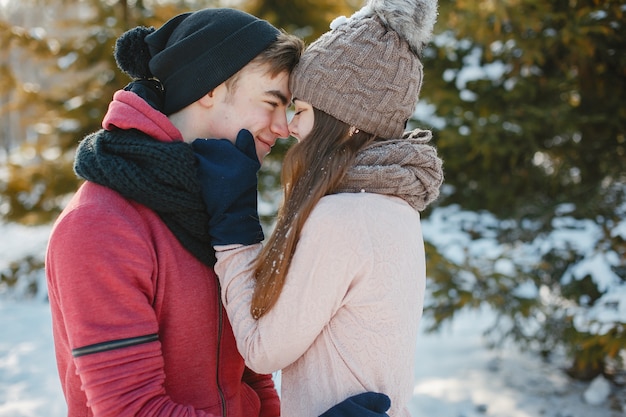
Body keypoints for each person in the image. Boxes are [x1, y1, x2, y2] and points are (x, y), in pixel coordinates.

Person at [45, 7, 304, 416]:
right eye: (272, 102)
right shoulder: (100, 225)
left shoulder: (220, 199)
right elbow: (133, 409)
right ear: (209, 87)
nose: (284, 127)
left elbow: (250, 373)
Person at [195, 0, 444, 416]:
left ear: (347, 122)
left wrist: (233, 229)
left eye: (304, 111)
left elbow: (261, 351)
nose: (290, 125)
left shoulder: (343, 218)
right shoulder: (394, 208)